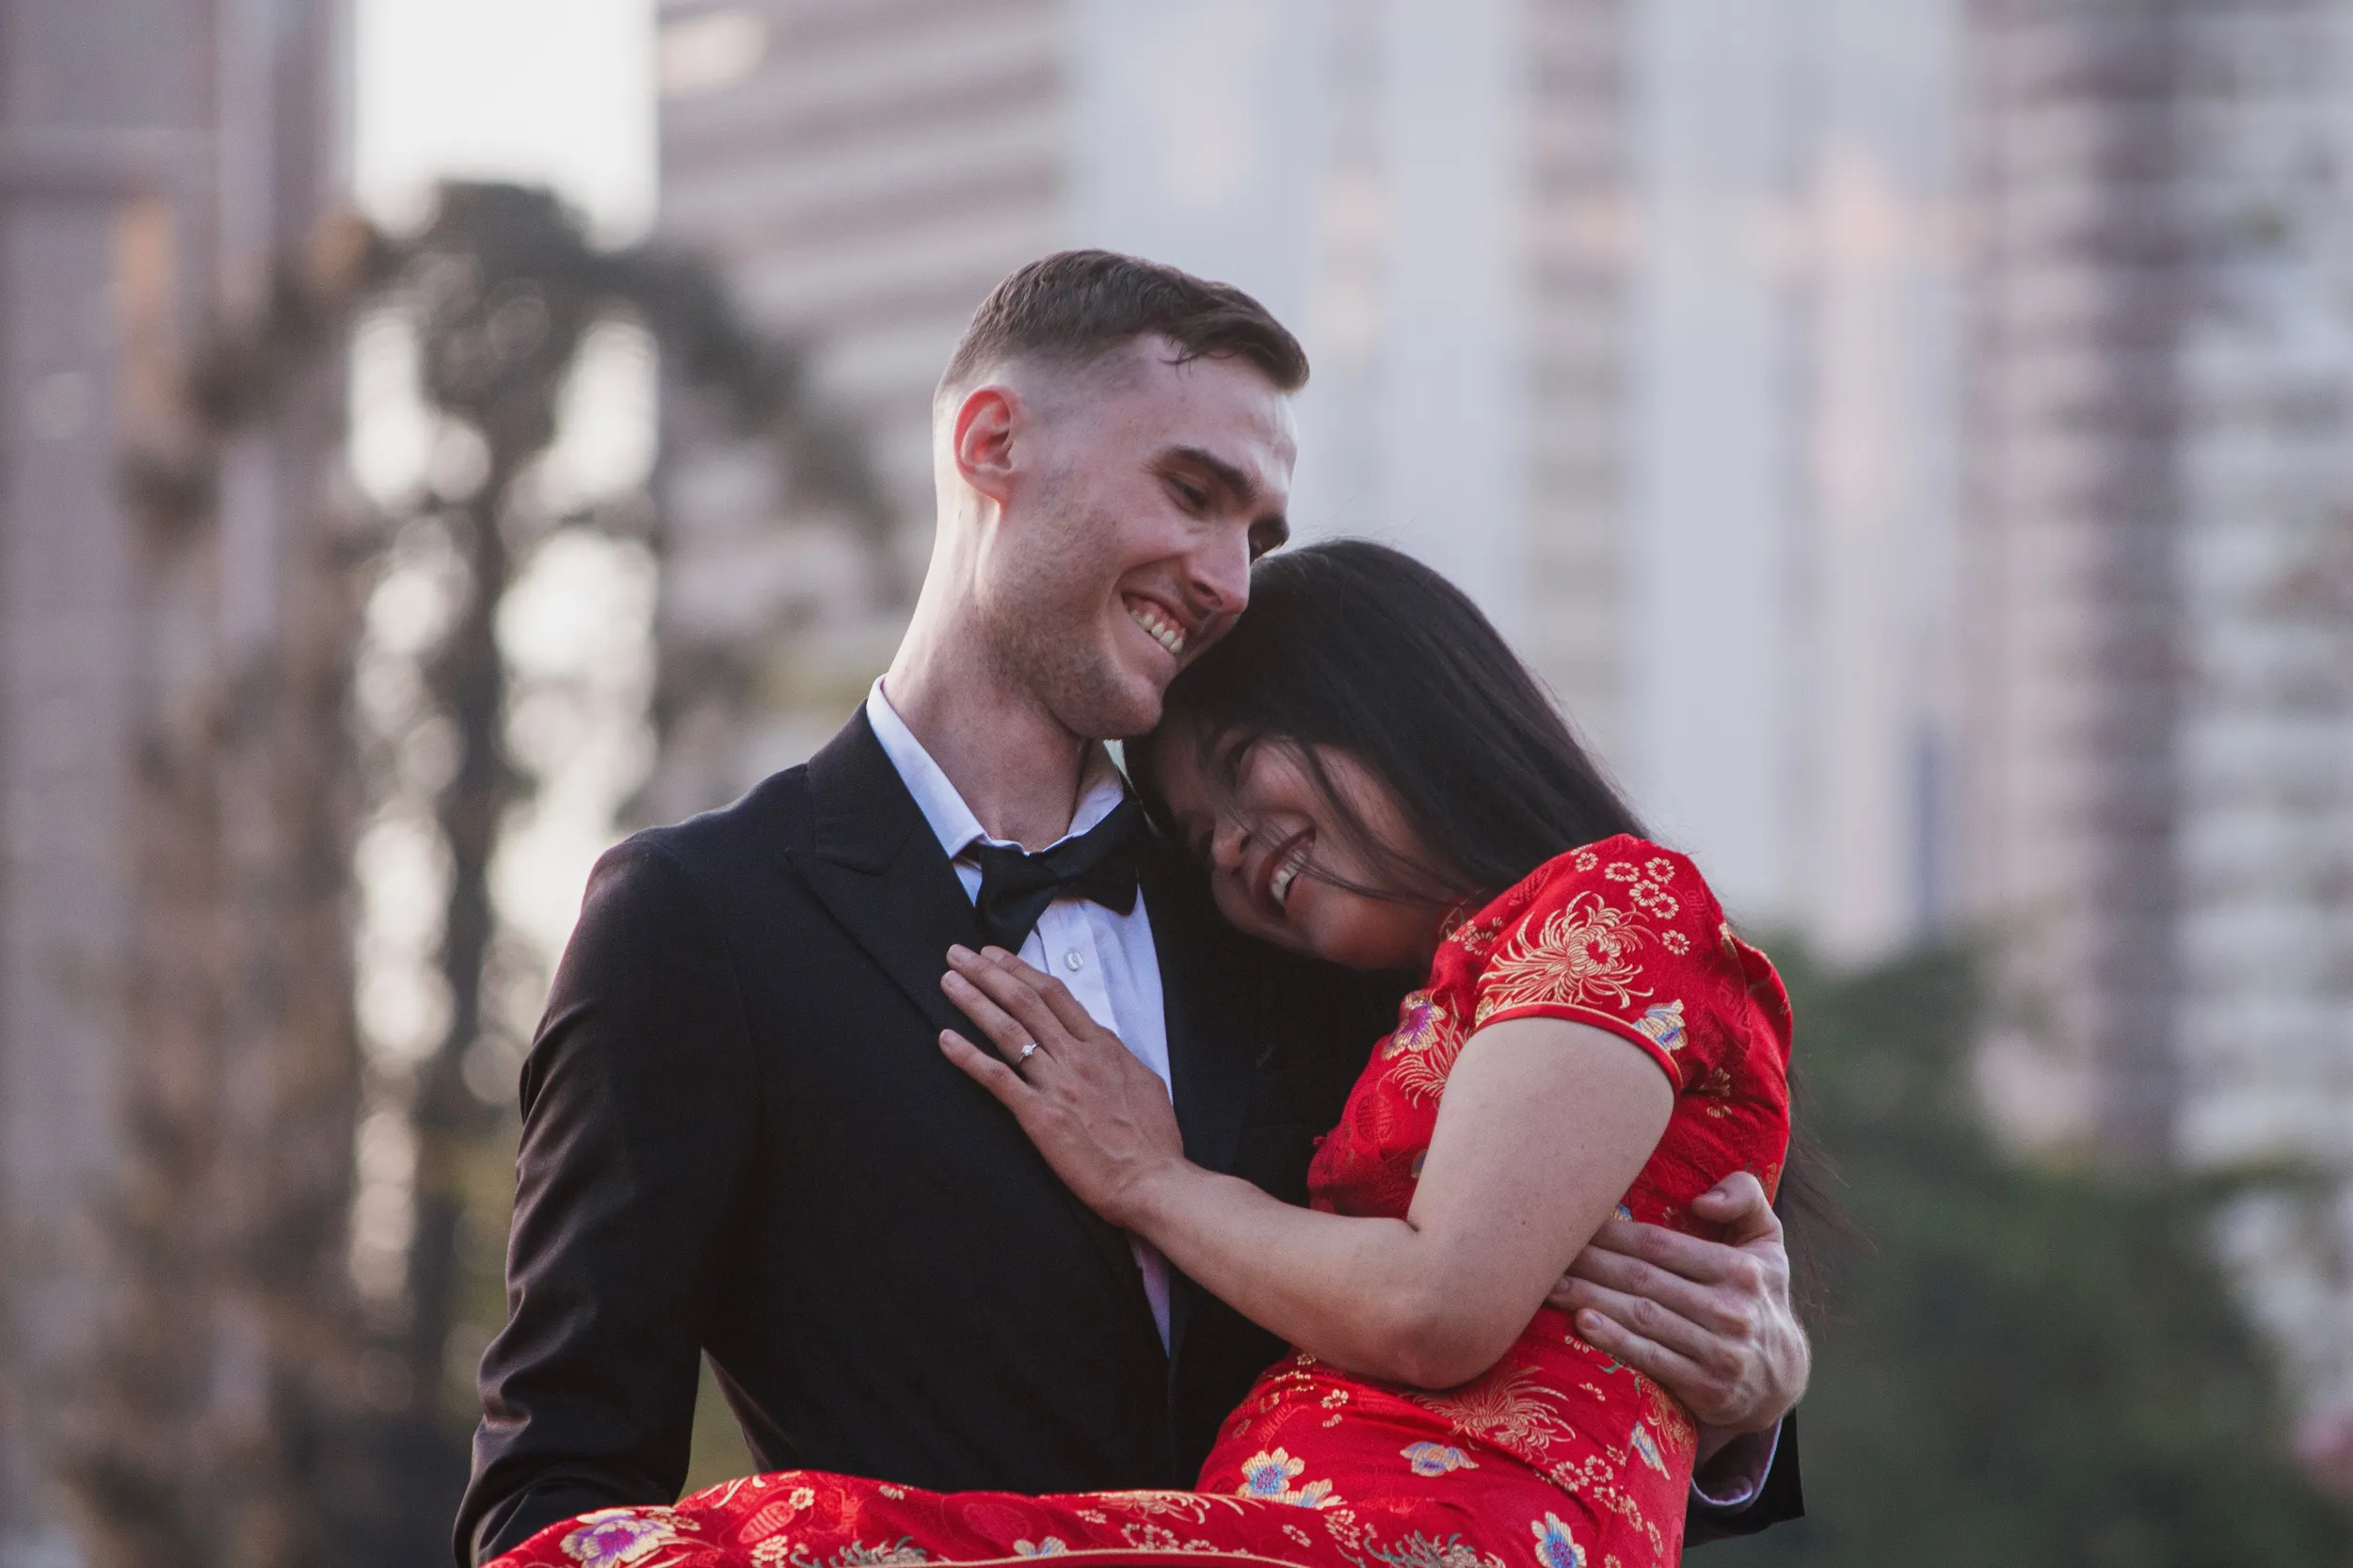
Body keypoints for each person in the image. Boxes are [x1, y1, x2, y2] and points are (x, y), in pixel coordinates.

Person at [456, 252, 1807, 1566]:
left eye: (1256, 532)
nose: (1229, 577)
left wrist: (1748, 1396)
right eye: (1191, 491)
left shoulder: (1312, 912)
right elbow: (552, 1499)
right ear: (992, 444)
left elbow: (1499, 1380)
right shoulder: (701, 924)